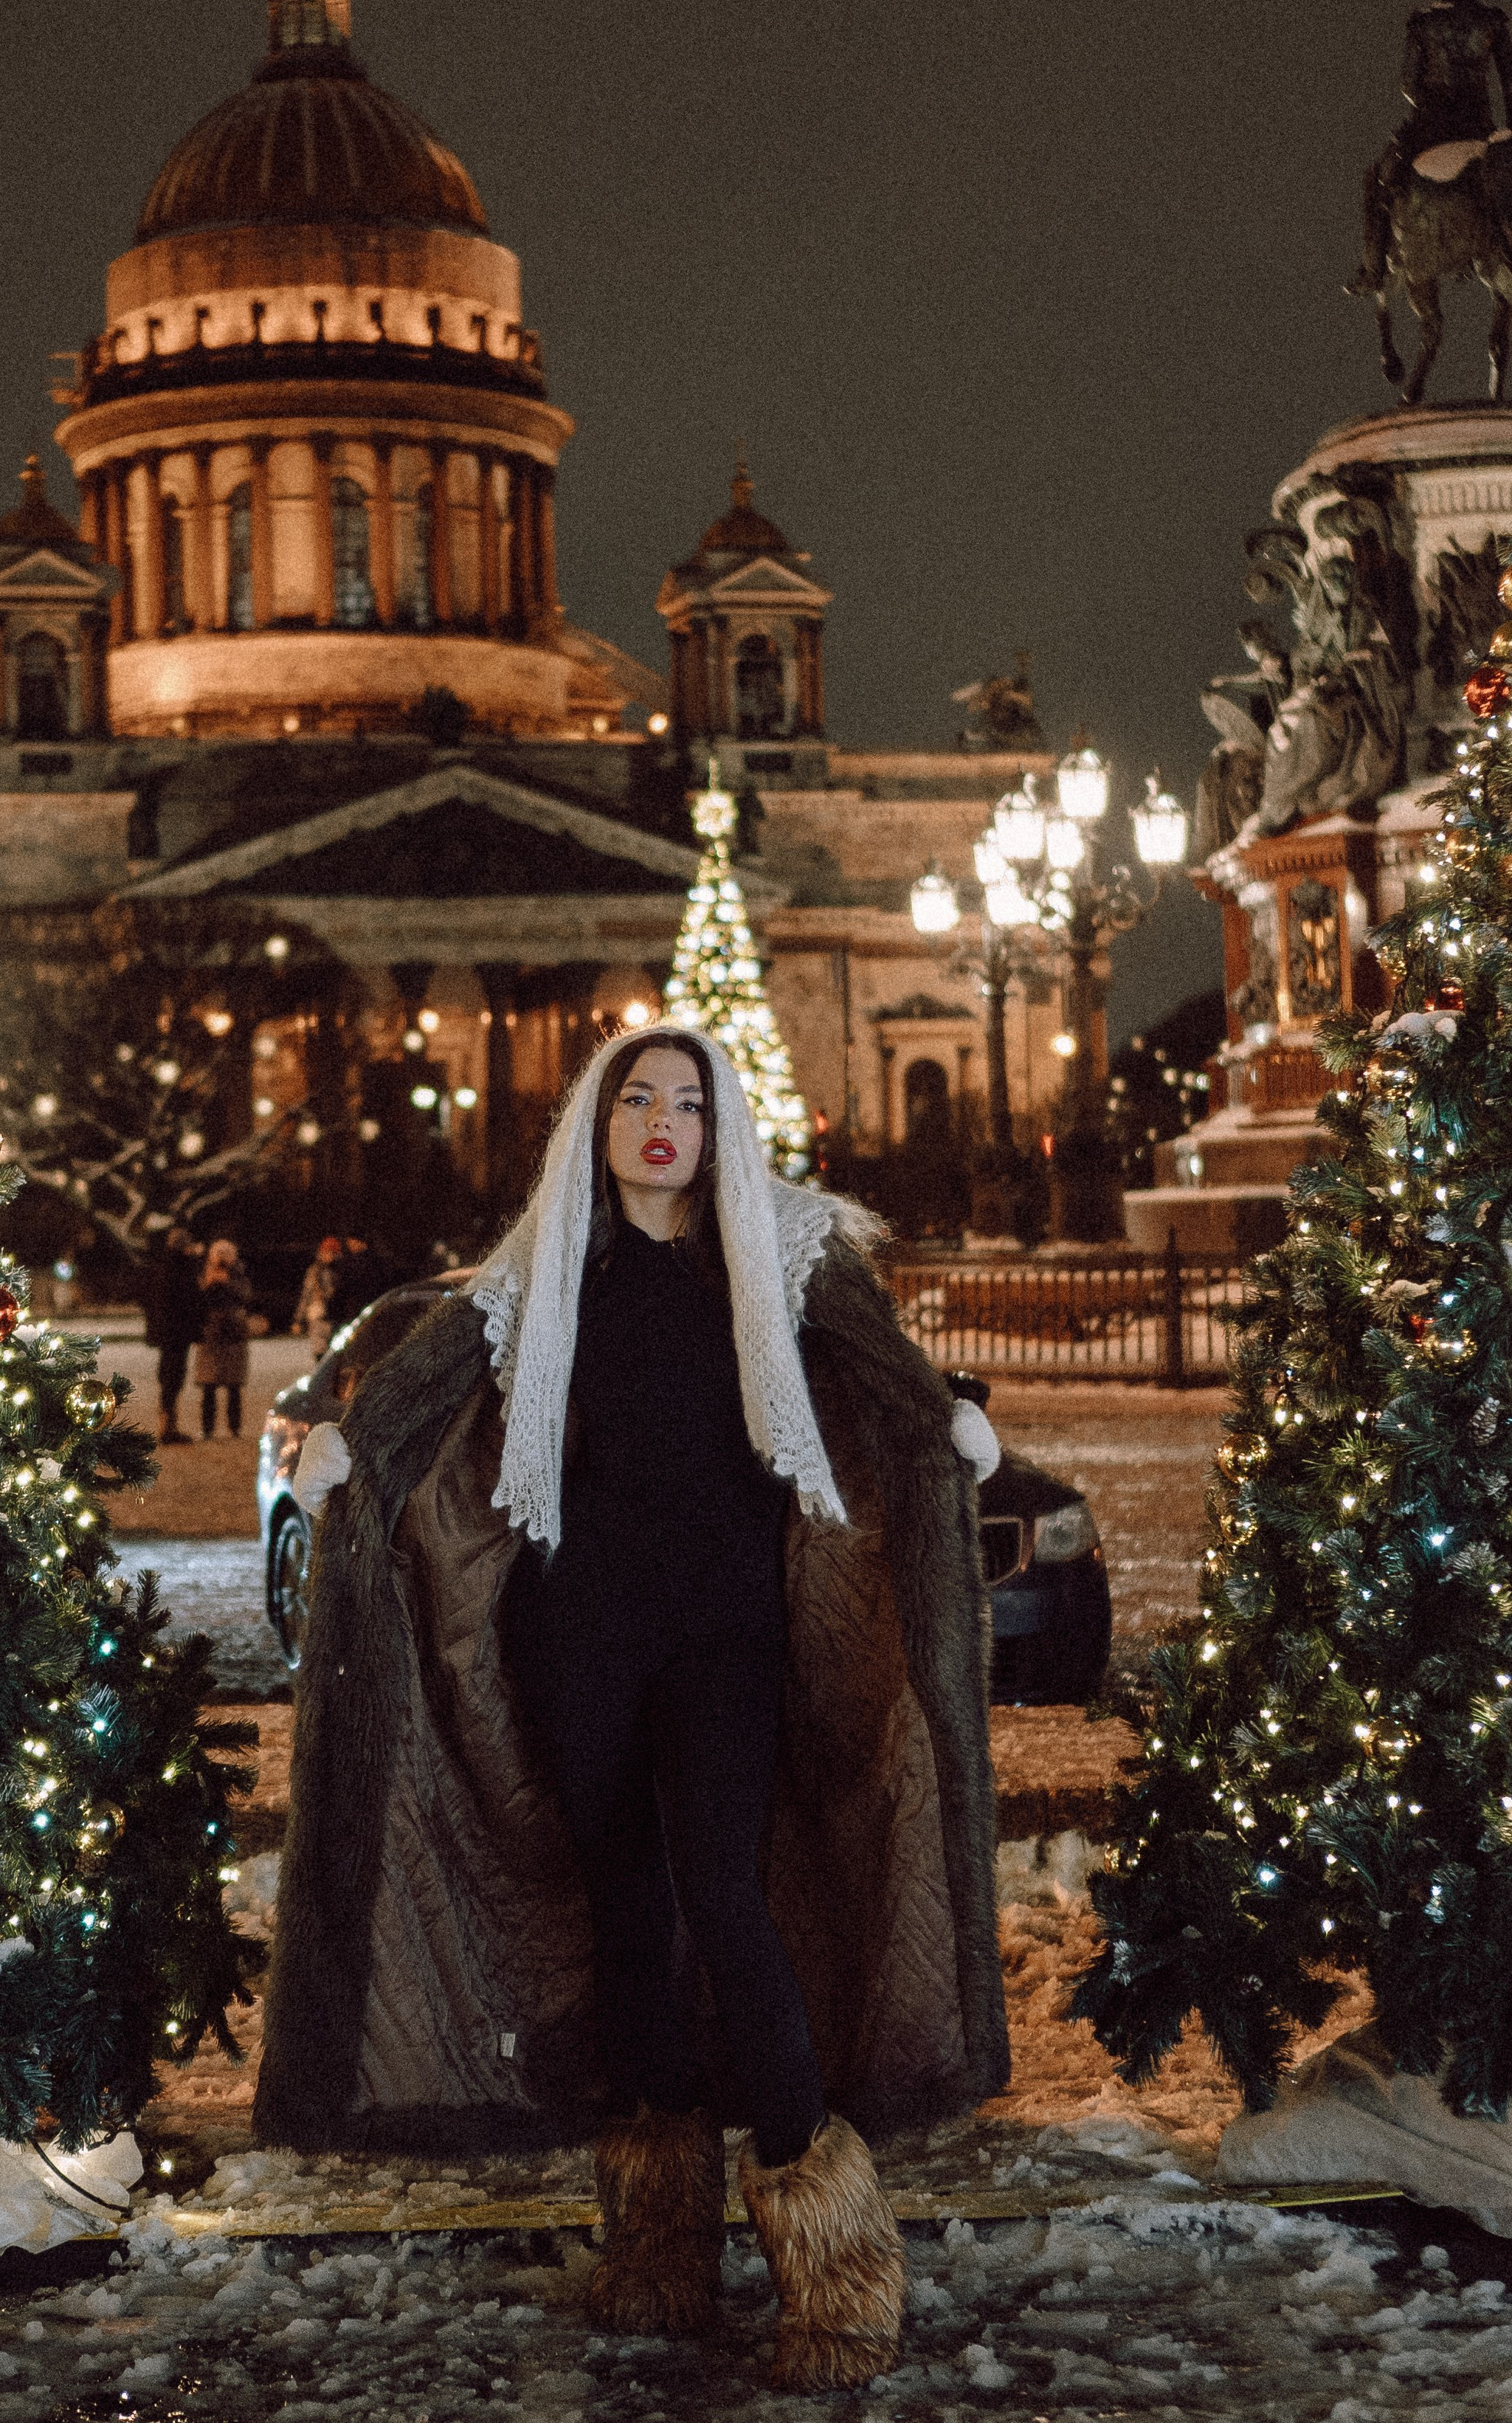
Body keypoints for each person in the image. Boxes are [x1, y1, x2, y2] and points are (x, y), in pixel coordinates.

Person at [255, 1024, 1009, 2393]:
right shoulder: (547, 1263)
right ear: (596, 1126)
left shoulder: (781, 1249)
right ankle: (661, 2239)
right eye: (638, 1100)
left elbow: (880, 1362)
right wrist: (347, 1444)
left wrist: (942, 1425)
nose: (664, 1122)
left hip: (726, 1634)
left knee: (723, 1895)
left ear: (720, 1129)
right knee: (624, 1910)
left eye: (690, 1103)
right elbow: (434, 1370)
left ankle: (833, 2260)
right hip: (581, 1628)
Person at [1350, 0, 1512, 294]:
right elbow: (1509, 82)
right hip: (1480, 126)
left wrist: (1425, 101)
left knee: (1378, 179)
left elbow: (1408, 83)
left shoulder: (1423, 22)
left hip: (1431, 126)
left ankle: (1373, 270)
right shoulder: (1492, 21)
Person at [139, 1224, 203, 1446]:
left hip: (166, 1332)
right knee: (173, 1377)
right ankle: (168, 1427)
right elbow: (191, 1299)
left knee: (168, 1376)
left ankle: (167, 1424)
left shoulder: (160, 1267)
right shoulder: (181, 1268)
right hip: (177, 1332)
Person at [195, 1237, 256, 1438]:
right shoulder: (205, 1273)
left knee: (234, 1385)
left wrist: (228, 1283)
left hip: (234, 1334)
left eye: (226, 1255)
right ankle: (207, 1428)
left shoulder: (239, 1274)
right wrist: (210, 1283)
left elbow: (247, 1296)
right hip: (210, 1335)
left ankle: (234, 1427)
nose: (222, 1259)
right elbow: (198, 1300)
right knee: (208, 1386)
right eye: (218, 1255)